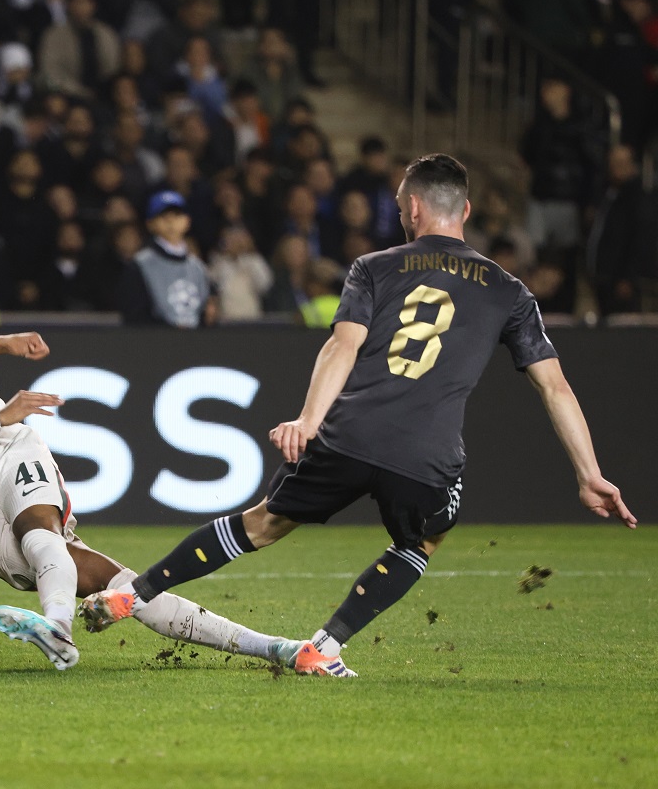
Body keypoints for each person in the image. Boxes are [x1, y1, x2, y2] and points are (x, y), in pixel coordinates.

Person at [79, 153, 636, 677]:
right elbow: (555, 387)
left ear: (414, 209)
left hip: (347, 436)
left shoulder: (373, 266)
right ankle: (324, 647)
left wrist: (308, 420)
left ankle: (136, 593)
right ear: (464, 210)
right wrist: (589, 473)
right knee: (420, 543)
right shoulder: (510, 291)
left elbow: (341, 348)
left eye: (399, 207)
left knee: (264, 522)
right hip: (426, 454)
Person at [0, 207, 302, 671]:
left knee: (46, 532)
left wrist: (1, 345)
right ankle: (62, 626)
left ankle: (271, 648)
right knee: (122, 587)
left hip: (7, 447)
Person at [118, 190, 218, 327]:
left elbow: (206, 314)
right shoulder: (139, 266)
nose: (170, 221)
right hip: (156, 344)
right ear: (150, 224)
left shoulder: (198, 268)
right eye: (163, 216)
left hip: (194, 345)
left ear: (187, 221)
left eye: (176, 215)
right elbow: (135, 317)